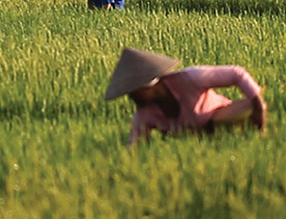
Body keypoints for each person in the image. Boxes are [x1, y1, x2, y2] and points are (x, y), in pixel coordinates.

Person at [104, 47, 267, 146]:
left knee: (224, 118)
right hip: (192, 140)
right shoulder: (144, 114)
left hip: (221, 118)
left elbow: (236, 73)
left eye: (135, 91)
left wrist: (258, 105)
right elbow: (135, 146)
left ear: (151, 84)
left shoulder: (190, 78)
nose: (132, 97)